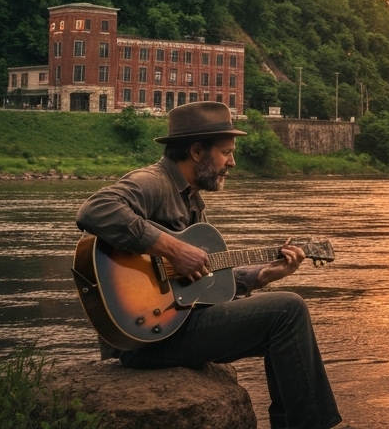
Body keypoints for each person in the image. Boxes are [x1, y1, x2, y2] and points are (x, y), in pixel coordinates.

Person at [76, 101, 342, 429]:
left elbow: (202, 283)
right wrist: (173, 249)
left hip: (173, 329)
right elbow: (95, 210)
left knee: (282, 327)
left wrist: (260, 276)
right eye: (226, 152)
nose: (232, 161)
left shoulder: (192, 202)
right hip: (145, 339)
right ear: (198, 151)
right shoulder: (153, 181)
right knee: (289, 310)